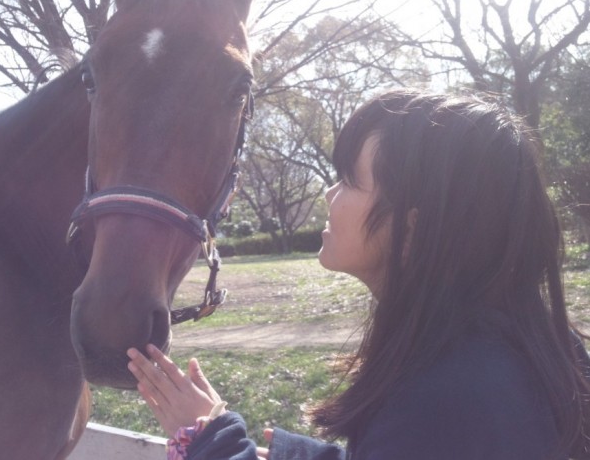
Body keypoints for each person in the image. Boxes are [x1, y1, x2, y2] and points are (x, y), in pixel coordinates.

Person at [126, 89, 590, 460]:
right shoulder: (521, 353)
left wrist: (213, 445)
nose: (329, 195)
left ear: (413, 230)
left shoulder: (449, 401)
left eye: (349, 180)